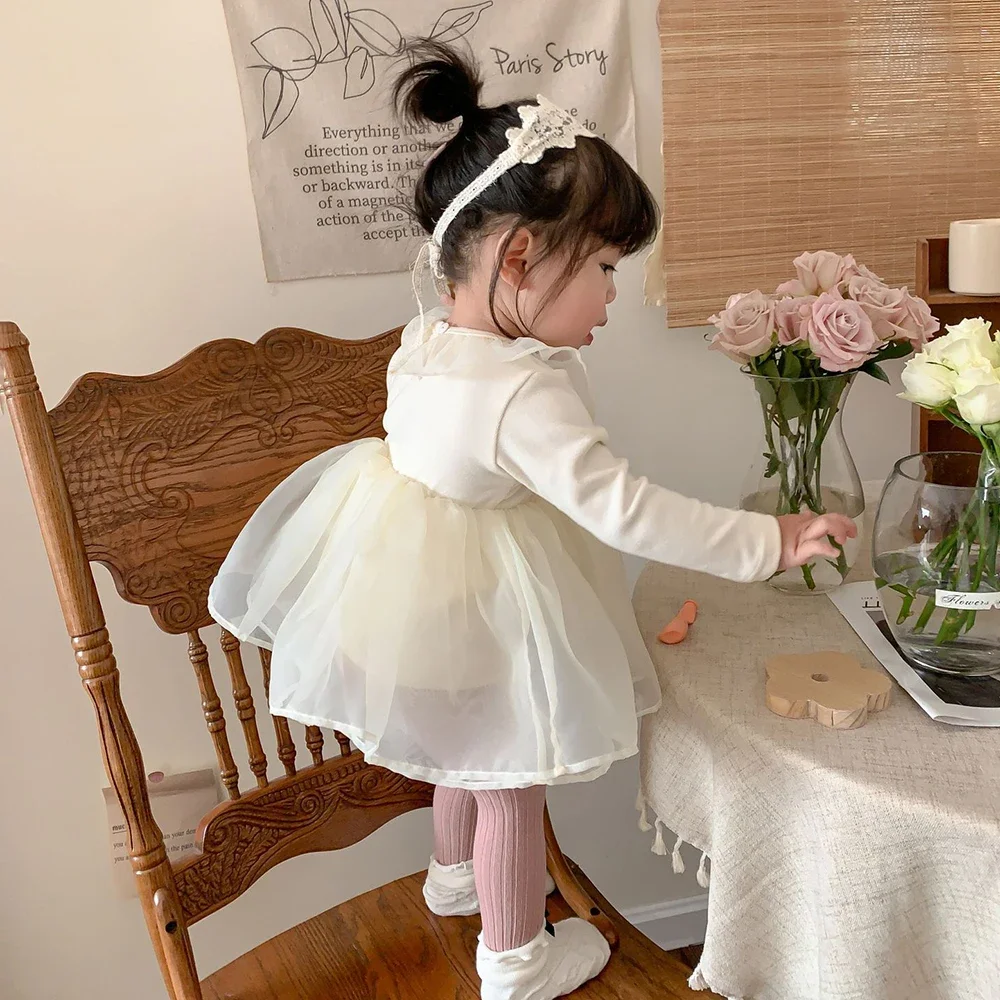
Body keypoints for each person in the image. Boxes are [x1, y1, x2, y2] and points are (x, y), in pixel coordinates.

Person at [209, 39, 856, 1000]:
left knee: (461, 746)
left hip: (411, 580)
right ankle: (514, 958)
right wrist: (769, 539)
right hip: (483, 592)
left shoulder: (430, 335)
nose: (609, 294)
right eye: (600, 266)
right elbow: (628, 511)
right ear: (520, 255)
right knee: (508, 766)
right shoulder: (523, 396)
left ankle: (452, 876)